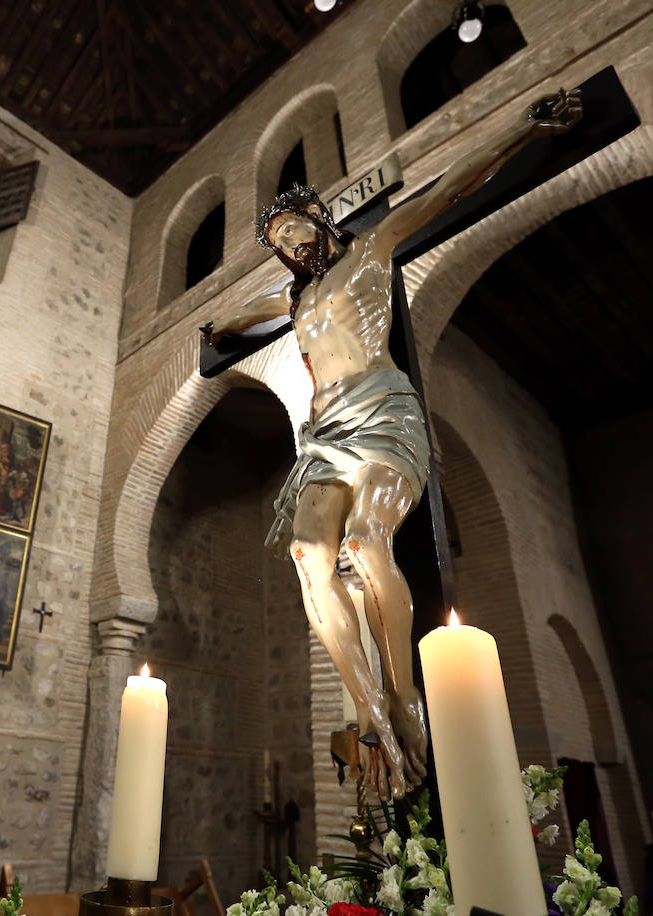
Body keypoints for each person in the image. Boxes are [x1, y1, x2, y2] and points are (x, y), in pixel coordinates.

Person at [203, 88, 582, 798]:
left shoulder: (371, 250)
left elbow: (446, 189)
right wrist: (214, 332)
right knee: (308, 552)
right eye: (279, 244)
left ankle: (404, 694)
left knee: (368, 542)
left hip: (381, 412)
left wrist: (519, 132)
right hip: (323, 435)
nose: (291, 246)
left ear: (322, 221)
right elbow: (234, 323)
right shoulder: (293, 301)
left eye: (297, 230)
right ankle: (371, 706)